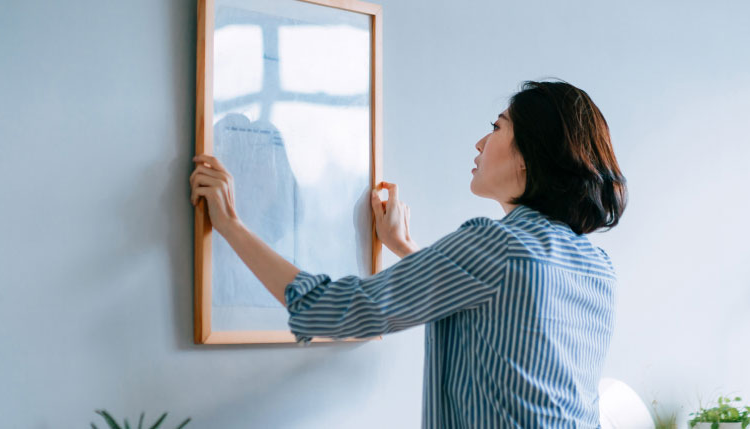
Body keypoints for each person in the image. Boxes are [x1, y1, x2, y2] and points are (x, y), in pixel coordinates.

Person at [189, 79, 627, 428]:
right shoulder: (595, 266)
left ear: (529, 156)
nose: (480, 143)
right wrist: (403, 247)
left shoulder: (497, 247)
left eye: (496, 128)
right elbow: (494, 316)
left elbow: (335, 309)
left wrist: (230, 223)